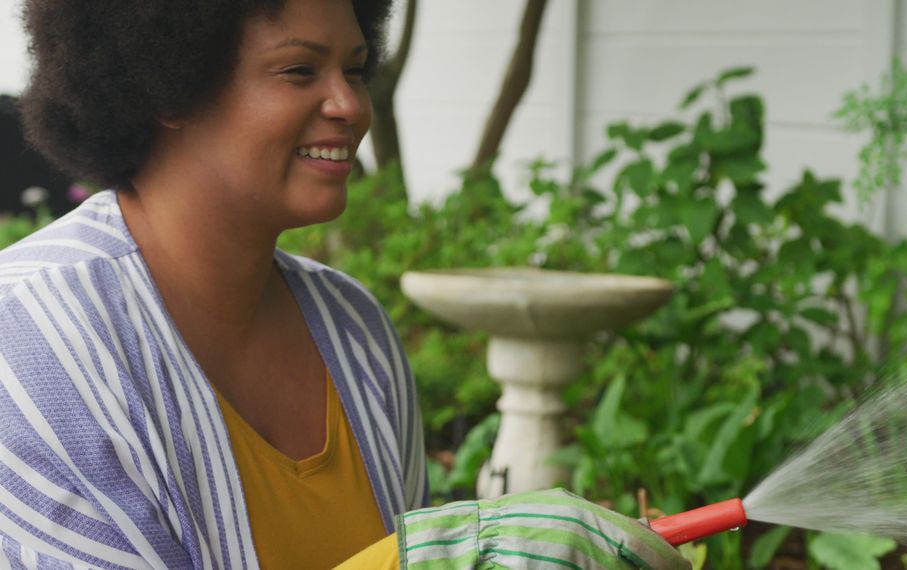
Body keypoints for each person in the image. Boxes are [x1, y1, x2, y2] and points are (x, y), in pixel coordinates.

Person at [0, 0, 690, 568]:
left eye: (355, 69)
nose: (350, 105)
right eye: (299, 70)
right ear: (168, 88)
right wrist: (453, 550)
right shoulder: (33, 338)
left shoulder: (353, 326)